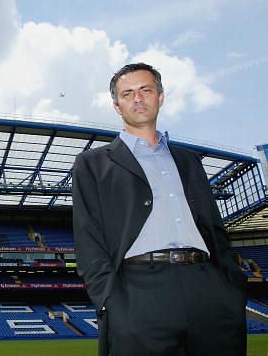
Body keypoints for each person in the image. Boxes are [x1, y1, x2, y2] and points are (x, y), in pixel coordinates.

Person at [73, 63, 247, 355]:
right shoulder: (93, 163)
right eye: (127, 93)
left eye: (146, 90)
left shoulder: (189, 160)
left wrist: (232, 285)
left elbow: (215, 228)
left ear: (161, 97)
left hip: (209, 289)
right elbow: (87, 236)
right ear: (116, 106)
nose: (138, 98)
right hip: (138, 291)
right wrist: (109, 300)